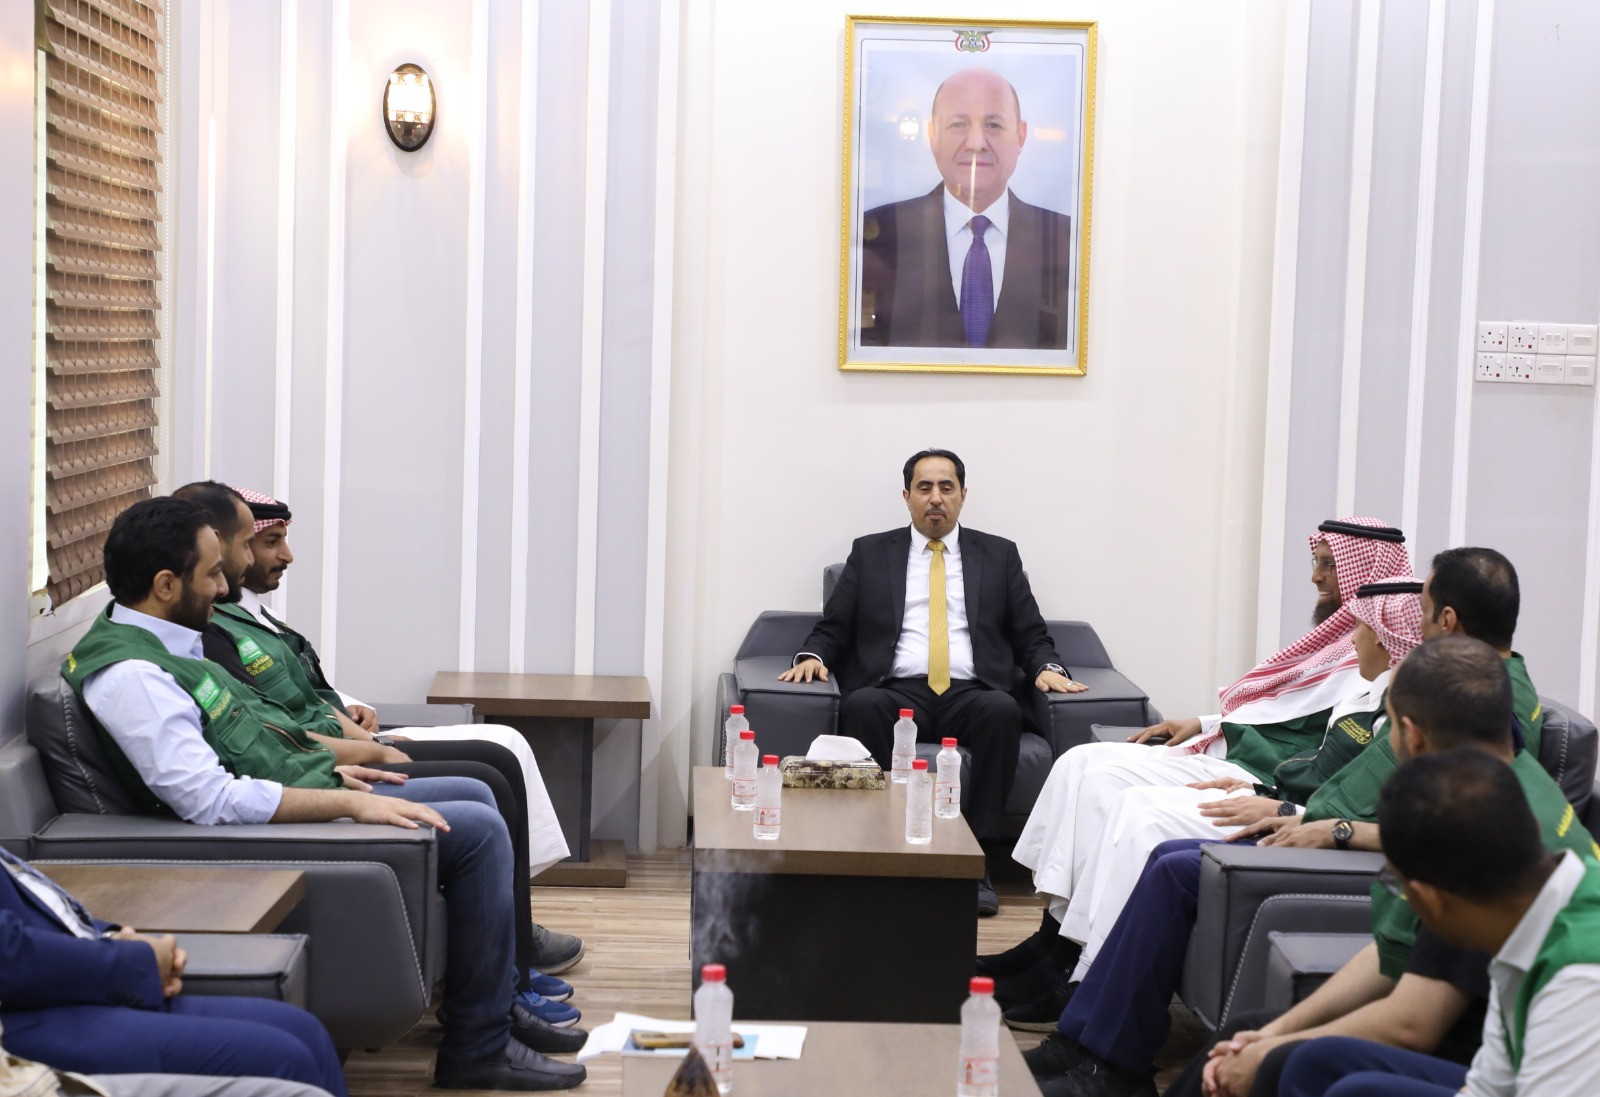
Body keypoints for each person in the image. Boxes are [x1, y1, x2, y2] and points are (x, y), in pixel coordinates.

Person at [61, 498, 586, 1091]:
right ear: (165, 585)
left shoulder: (168, 642)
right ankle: (479, 1045)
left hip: (302, 783)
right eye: (210, 575)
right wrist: (348, 801)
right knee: (477, 830)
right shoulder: (134, 678)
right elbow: (210, 801)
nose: (223, 587)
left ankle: (493, 1006)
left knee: (475, 790)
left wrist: (337, 770)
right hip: (273, 828)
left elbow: (262, 733)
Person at [1025, 636, 1594, 1097]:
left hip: (1466, 1043)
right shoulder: (1493, 797)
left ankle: (1105, 1066)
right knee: (1249, 1034)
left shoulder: (1475, 830)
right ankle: (1094, 1054)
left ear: (1411, 735)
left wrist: (1271, 1050)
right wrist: (1267, 1039)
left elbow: (1414, 1018)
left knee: (1300, 1066)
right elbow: (1395, 953)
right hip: (1489, 1044)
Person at [170, 483, 581, 1024]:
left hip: (323, 770)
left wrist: (363, 743)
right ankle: (491, 1014)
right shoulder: (168, 657)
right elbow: (230, 777)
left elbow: (291, 713)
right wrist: (358, 777)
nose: (237, 573)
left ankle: (507, 973)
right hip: (312, 785)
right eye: (255, 545)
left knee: (490, 776)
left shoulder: (199, 638)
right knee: (487, 789)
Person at [990, 518, 1411, 1017]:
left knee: (1123, 799)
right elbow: (1280, 711)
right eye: (1316, 562)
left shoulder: (1380, 670)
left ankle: (1079, 972)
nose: (1316, 577)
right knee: (1080, 762)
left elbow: (1316, 754)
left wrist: (1276, 798)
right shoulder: (1351, 649)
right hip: (1252, 766)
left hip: (1262, 776)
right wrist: (1208, 722)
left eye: (1328, 564)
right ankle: (1054, 941)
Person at [778, 448, 1084, 913]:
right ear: (907, 497)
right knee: (862, 705)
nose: (935, 498)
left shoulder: (998, 555)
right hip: (896, 688)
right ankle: (880, 851)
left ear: (963, 495)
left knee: (1002, 710)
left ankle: (974, 861)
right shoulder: (871, 552)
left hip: (972, 691)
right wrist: (813, 655)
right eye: (924, 488)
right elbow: (835, 626)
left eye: (946, 487)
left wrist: (1047, 667)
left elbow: (1029, 632)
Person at [1273, 750, 1600, 1097]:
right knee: (1327, 1069)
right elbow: (1489, 1086)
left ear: (1428, 901)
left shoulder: (1578, 976)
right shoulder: (1532, 919)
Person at [0, 843, 344, 1093]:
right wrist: (137, 961)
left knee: (305, 1030)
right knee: (281, 1057)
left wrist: (113, 937)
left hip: (58, 987)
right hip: (20, 1024)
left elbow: (29, 909)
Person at [858, 66, 1073, 349]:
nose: (975, 143)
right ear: (933, 135)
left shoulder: (1066, 240)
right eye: (958, 124)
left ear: (1020, 136)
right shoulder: (875, 235)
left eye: (993, 125)